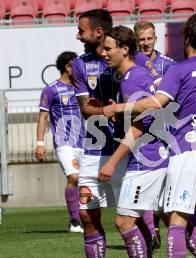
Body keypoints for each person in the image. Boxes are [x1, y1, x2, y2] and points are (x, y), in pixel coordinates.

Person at [103, 12, 196, 258]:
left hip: (187, 152)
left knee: (176, 220)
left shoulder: (179, 70)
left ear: (187, 38)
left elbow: (156, 103)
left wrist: (118, 108)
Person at [98, 25, 169, 257]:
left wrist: (112, 162)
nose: (103, 53)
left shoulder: (130, 81)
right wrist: (120, 114)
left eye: (108, 48)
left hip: (146, 157)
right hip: (158, 154)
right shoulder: (138, 75)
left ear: (125, 49)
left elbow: (138, 128)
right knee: (171, 217)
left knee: (124, 222)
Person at [72, 9, 128, 257]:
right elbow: (86, 108)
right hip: (94, 149)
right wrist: (113, 110)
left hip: (125, 148)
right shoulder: (79, 64)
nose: (78, 36)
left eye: (81, 31)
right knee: (86, 213)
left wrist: (120, 109)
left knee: (133, 217)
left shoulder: (126, 60)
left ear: (98, 31)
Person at [133, 20, 176, 249]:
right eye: (142, 40)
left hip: (165, 133)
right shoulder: (130, 65)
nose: (146, 43)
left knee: (165, 191)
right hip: (139, 132)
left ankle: (179, 234)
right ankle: (152, 233)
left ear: (156, 39)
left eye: (150, 38)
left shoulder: (168, 64)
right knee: (143, 187)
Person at [35, 51, 85, 233]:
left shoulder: (82, 88)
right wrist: (40, 143)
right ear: (68, 67)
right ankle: (74, 221)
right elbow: (42, 117)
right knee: (73, 177)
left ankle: (85, 218)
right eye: (77, 66)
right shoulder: (51, 90)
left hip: (85, 142)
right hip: (64, 142)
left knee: (85, 182)